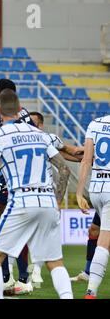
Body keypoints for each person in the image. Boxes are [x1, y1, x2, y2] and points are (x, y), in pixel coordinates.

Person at [0, 89, 73, 299]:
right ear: (19, 110)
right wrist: (57, 203)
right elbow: (64, 170)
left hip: (22, 200)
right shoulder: (40, 134)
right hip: (47, 201)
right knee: (55, 262)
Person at [0, 79, 36, 295]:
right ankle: (15, 277)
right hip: (15, 176)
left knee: (0, 225)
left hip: (14, 178)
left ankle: (15, 278)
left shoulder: (10, 117)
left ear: (1, 93)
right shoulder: (21, 114)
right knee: (3, 225)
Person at [28, 111, 84, 287]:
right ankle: (22, 273)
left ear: (41, 125)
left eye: (34, 123)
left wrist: (89, 156)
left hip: (45, 193)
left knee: (44, 234)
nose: (31, 126)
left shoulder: (49, 138)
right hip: (24, 193)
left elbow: (69, 152)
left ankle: (34, 271)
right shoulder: (22, 138)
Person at [76, 114, 110, 299]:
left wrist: (80, 192)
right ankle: (91, 291)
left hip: (96, 189)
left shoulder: (95, 123)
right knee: (104, 243)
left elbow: (86, 160)